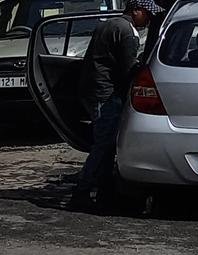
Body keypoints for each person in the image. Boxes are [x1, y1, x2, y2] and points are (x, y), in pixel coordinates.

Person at [70, 0, 161, 211]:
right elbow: (128, 69)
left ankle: (104, 193)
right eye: (146, 14)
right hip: (106, 93)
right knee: (103, 145)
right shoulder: (127, 32)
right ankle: (82, 192)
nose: (148, 19)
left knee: (106, 145)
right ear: (136, 11)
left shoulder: (108, 24)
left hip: (93, 90)